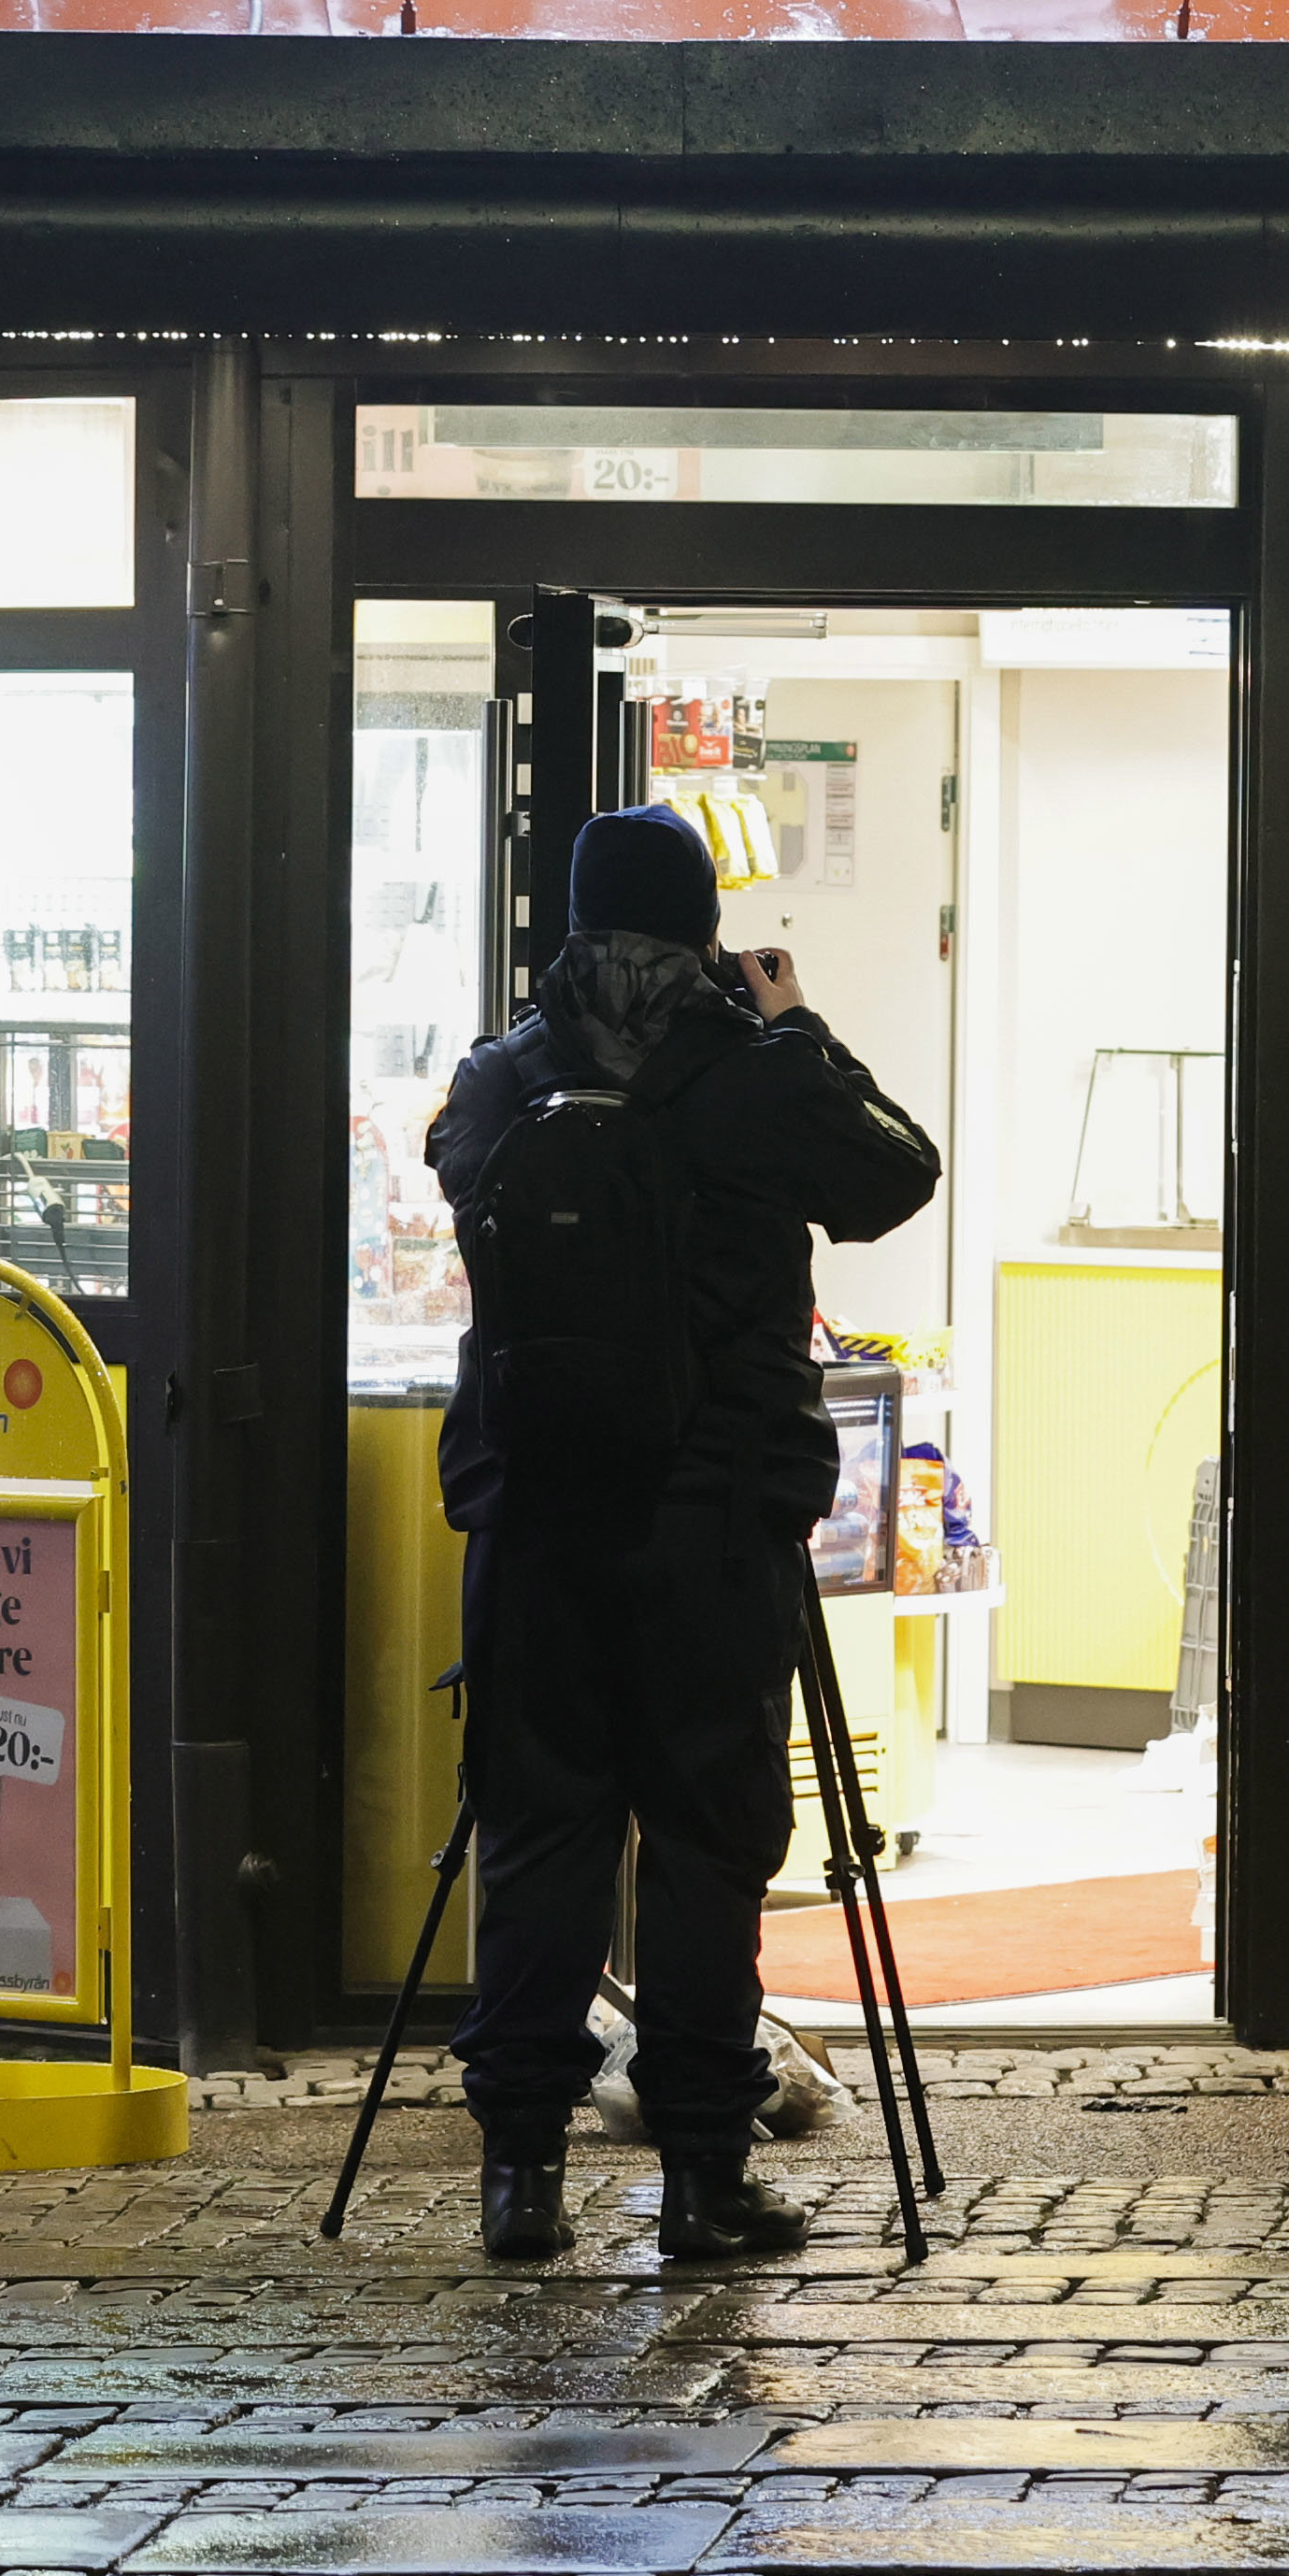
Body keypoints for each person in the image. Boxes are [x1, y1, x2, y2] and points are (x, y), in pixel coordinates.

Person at [432, 802, 942, 2265]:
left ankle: (519, 2174)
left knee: (543, 1837)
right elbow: (897, 1175)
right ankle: (705, 2177)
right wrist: (801, 1026)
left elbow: (460, 1189)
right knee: (711, 1848)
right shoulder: (749, 1071)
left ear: (576, 924)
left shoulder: (502, 1076)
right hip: (716, 1522)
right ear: (708, 928)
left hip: (535, 1524)